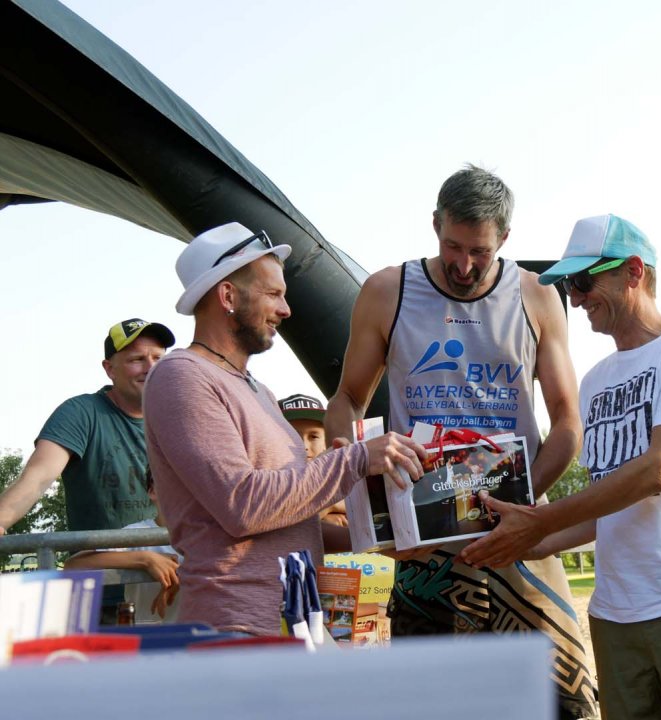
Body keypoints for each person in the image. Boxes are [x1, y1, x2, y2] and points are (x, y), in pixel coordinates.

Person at [460, 214, 661, 719]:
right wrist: (522, 541)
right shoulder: (594, 380)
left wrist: (541, 520)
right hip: (615, 616)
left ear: (634, 271)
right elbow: (606, 507)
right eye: (568, 285)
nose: (576, 296)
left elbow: (660, 471)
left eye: (584, 281)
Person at [325, 166, 597, 719]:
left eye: (479, 250)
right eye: (451, 245)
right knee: (432, 702)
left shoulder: (536, 295)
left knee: (562, 704)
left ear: (505, 240)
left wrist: (520, 502)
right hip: (421, 537)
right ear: (434, 224)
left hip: (516, 527)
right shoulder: (387, 289)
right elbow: (348, 400)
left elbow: (569, 422)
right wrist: (348, 455)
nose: (463, 264)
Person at [144, 222, 426, 636]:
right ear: (227, 296)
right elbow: (243, 507)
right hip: (234, 628)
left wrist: (383, 539)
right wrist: (356, 459)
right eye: (273, 294)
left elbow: (291, 523)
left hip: (290, 623)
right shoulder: (181, 376)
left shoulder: (260, 392)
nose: (285, 310)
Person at [0, 318, 174, 621]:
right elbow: (39, 476)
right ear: (109, 368)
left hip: (170, 584)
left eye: (158, 358)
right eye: (136, 359)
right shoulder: (82, 413)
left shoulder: (182, 418)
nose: (150, 367)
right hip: (98, 591)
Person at [64, 468, 181, 624]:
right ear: (152, 490)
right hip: (145, 642)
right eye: (168, 478)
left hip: (200, 641)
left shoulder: (210, 535)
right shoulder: (137, 534)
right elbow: (74, 565)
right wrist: (145, 560)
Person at [278, 393, 347, 527]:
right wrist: (329, 506)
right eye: (292, 435)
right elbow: (279, 524)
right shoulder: (267, 482)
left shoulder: (343, 479)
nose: (304, 446)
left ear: (326, 441)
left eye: (314, 436)